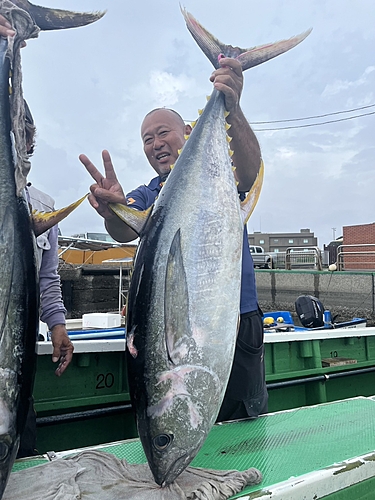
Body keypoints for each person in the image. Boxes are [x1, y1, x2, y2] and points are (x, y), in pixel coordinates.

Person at [80, 57, 268, 422]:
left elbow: (248, 173)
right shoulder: (150, 195)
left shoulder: (221, 177)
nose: (155, 143)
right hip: (178, 331)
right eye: (147, 139)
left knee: (244, 421)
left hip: (235, 320)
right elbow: (124, 228)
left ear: (186, 130)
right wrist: (113, 211)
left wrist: (232, 105)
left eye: (163, 132)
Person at [16, 102, 74, 458]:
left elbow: (48, 279)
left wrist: (57, 325)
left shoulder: (42, 206)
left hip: (17, 355)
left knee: (18, 451)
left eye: (22, 133)